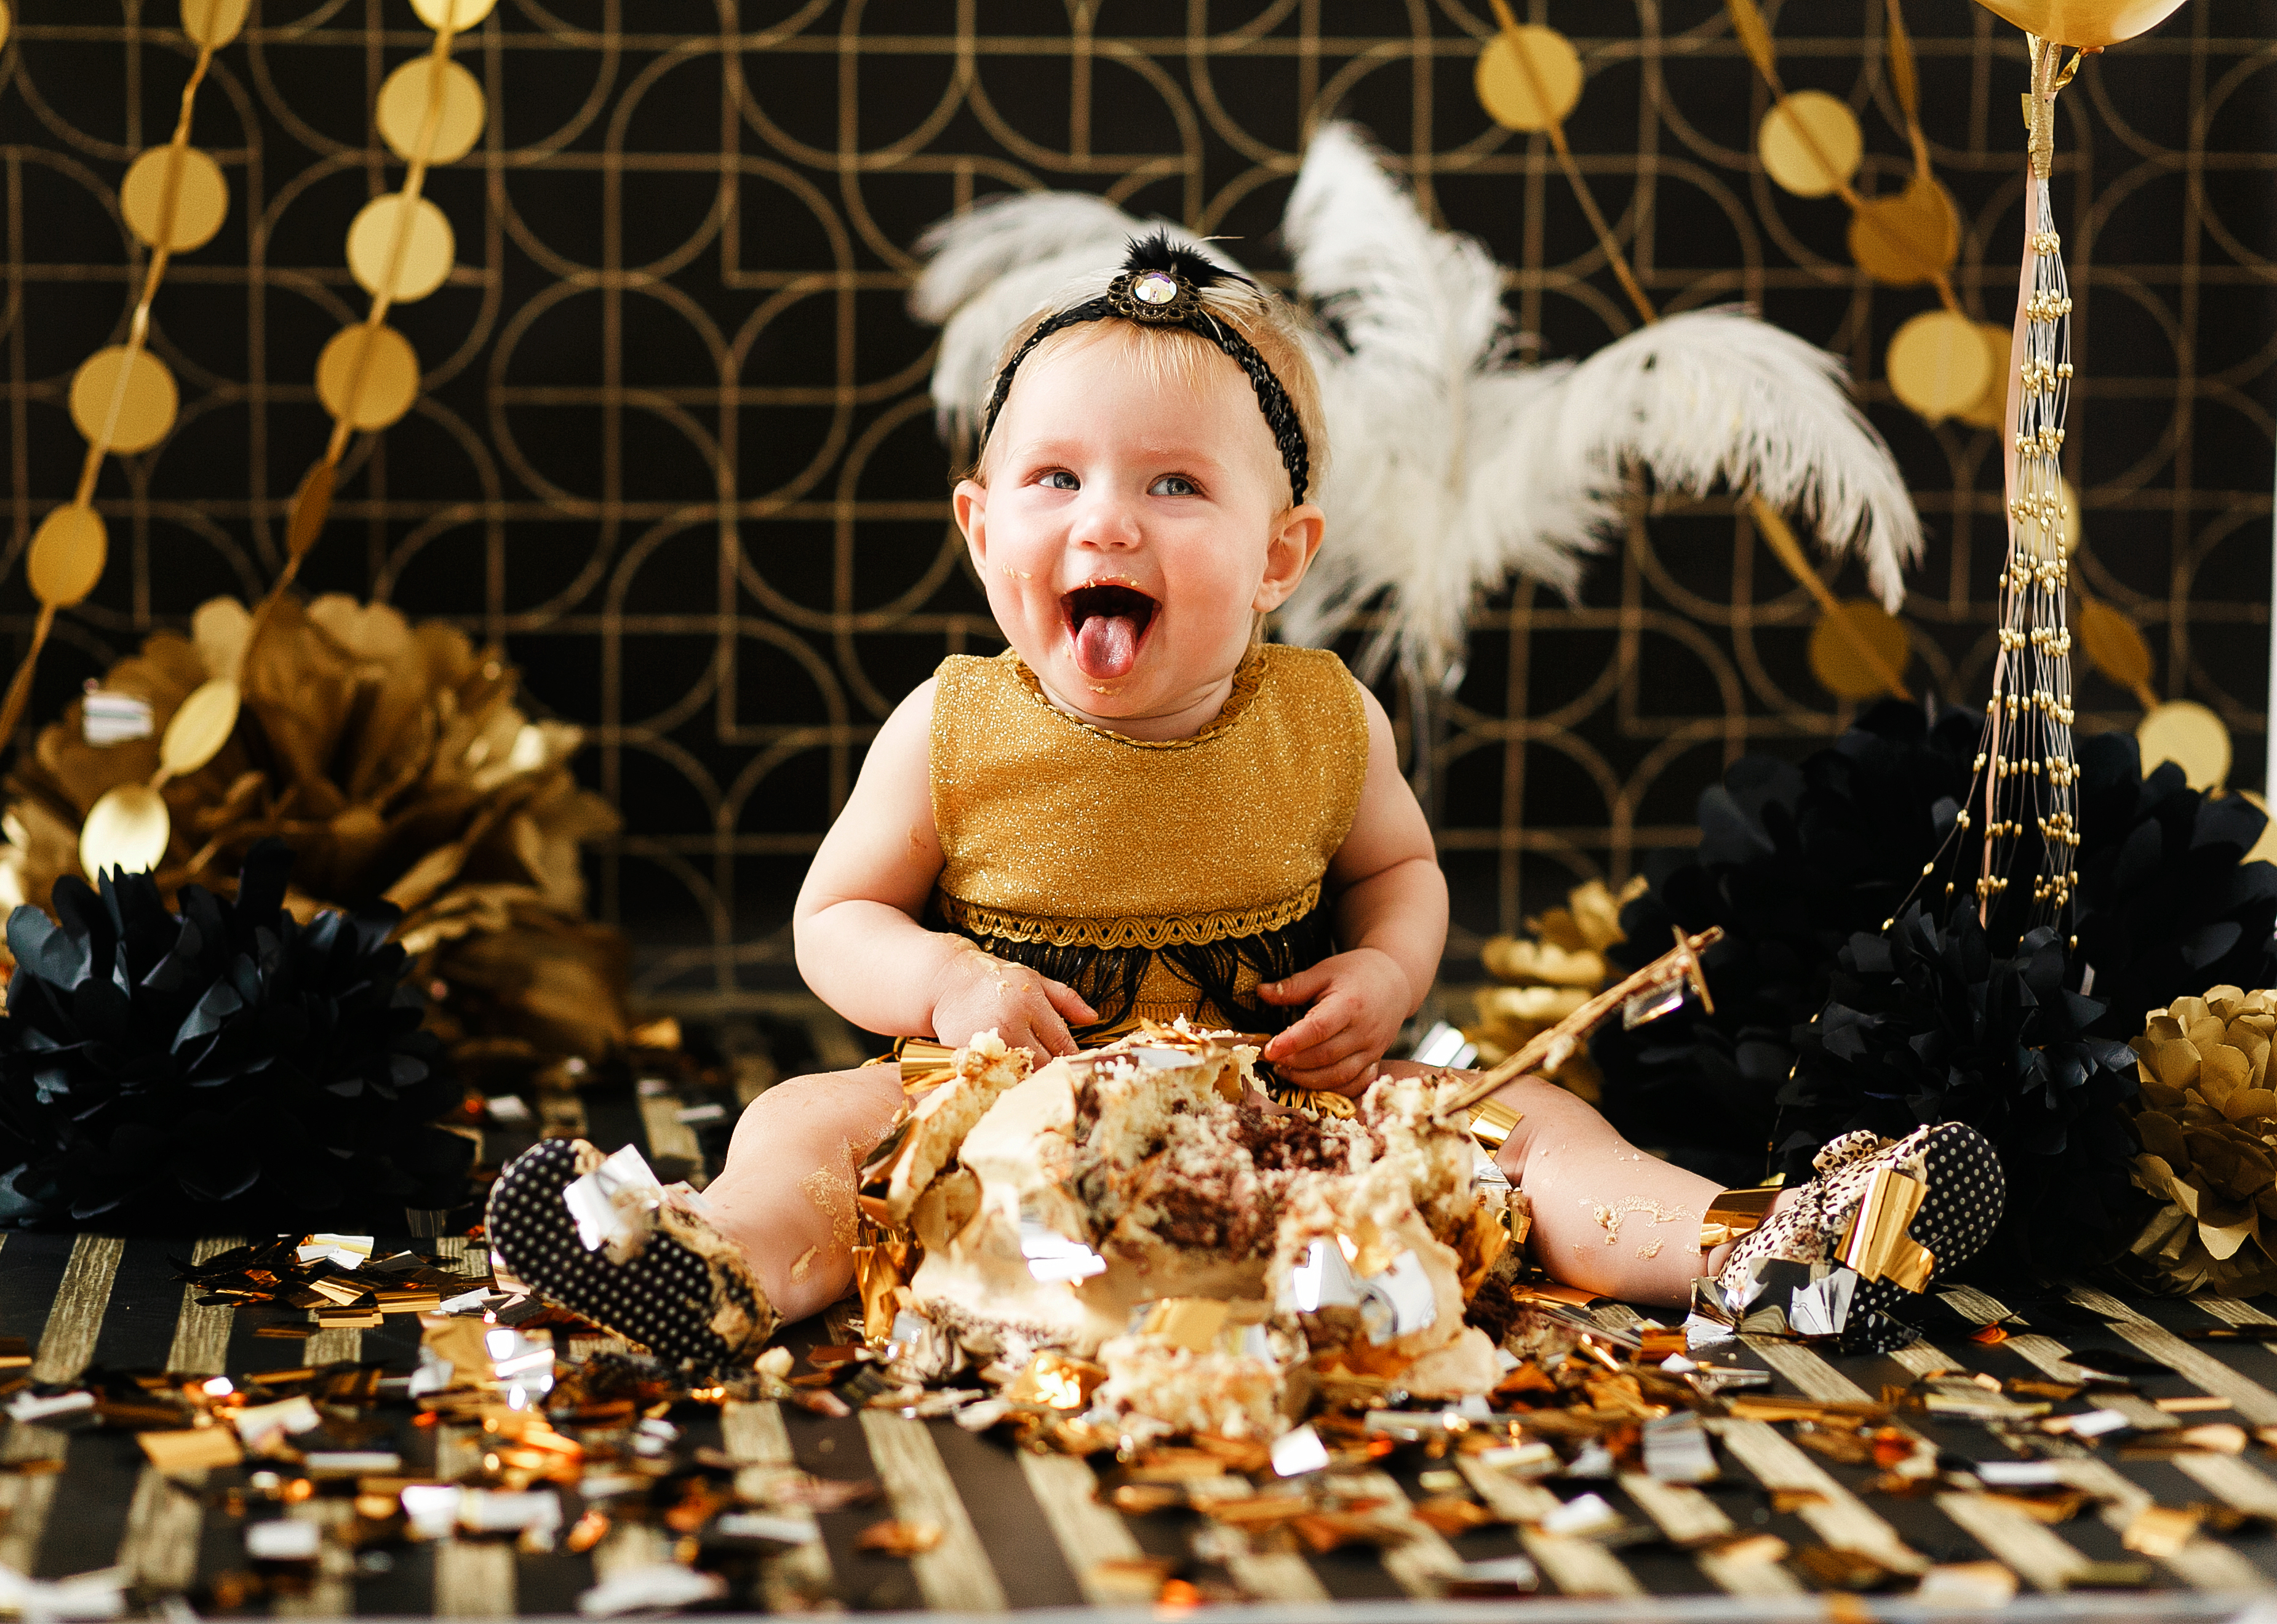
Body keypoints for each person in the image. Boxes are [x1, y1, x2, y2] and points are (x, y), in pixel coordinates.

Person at [484, 238, 2000, 1367]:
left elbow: (1401, 873)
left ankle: (1751, 1248)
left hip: (1282, 1095)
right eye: (1056, 481)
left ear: (1282, 554)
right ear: (979, 525)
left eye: (1173, 489)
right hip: (999, 1099)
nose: (1106, 520)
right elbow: (834, 919)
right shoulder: (952, 723)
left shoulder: (1321, 717)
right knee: (804, 1121)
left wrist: (1387, 972)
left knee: (1533, 1125)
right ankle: (715, 1265)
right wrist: (946, 983)